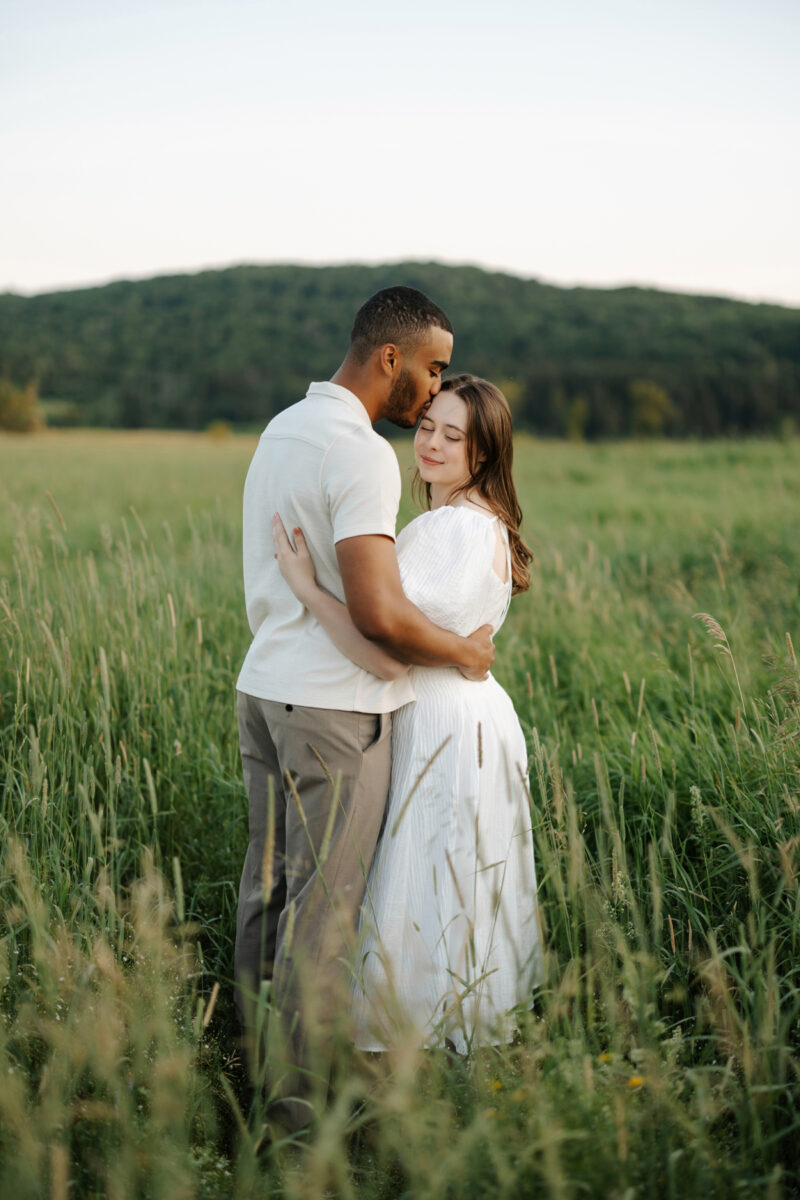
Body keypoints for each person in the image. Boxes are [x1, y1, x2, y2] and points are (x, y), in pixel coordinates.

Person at [234, 288, 495, 1130]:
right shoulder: (362, 452)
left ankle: (251, 1072)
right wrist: (460, 651)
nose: (431, 388)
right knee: (324, 909)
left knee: (266, 895)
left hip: (263, 691)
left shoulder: (282, 429)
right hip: (335, 711)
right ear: (392, 359)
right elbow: (380, 613)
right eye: (432, 368)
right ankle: (295, 1116)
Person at [273, 374, 542, 1055]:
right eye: (428, 426)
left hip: (444, 721)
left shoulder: (451, 526)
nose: (431, 443)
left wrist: (306, 586)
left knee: (425, 873)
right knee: (450, 876)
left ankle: (409, 1041)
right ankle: (451, 1035)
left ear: (482, 454)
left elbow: (381, 636)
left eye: (454, 436)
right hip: (467, 710)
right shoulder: (477, 524)